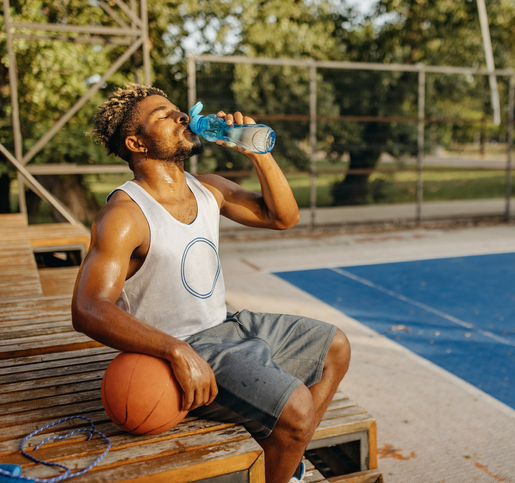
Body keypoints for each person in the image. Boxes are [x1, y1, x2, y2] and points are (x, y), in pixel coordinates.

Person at [72, 84, 350, 483]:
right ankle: (285, 451)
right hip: (184, 348)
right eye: (163, 116)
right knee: (298, 409)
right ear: (136, 142)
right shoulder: (125, 214)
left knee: (334, 348)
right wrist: (176, 351)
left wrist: (261, 155)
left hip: (230, 326)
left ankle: (286, 458)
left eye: (178, 111)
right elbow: (88, 309)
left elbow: (283, 217)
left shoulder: (209, 188)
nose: (182, 117)